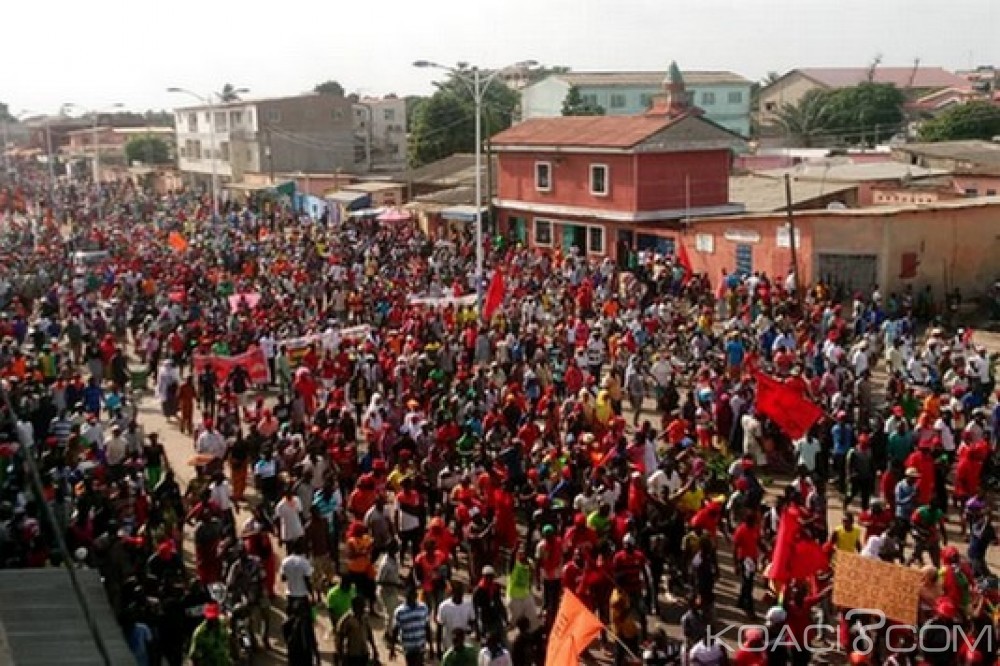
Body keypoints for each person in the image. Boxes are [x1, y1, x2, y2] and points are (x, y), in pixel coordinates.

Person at [392, 585, 431, 666]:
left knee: (419, 663)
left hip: (420, 644)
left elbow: (427, 626)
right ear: (406, 595)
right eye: (410, 594)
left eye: (414, 594)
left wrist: (431, 646)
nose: (412, 597)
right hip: (408, 646)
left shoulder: (423, 607)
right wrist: (392, 648)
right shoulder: (400, 611)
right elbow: (395, 630)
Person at [337, 595, 380, 666]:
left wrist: (374, 648)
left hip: (364, 652)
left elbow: (369, 633)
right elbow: (341, 638)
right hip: (351, 654)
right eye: (362, 606)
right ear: (355, 607)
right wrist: (341, 656)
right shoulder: (346, 620)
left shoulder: (365, 617)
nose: (364, 609)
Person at [187, 602, 232, 666]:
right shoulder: (199, 633)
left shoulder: (223, 621)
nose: (213, 621)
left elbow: (230, 638)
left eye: (215, 618)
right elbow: (194, 657)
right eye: (211, 619)